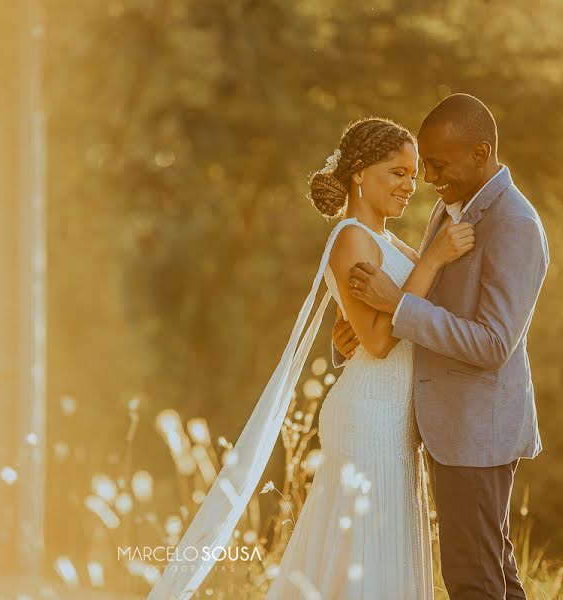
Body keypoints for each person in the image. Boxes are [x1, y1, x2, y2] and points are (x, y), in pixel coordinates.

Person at [147, 116, 475, 600]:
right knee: (362, 559)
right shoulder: (351, 238)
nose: (410, 185)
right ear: (360, 173)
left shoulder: (385, 240)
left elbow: (382, 325)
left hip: (396, 424)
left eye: (412, 174)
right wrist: (431, 260)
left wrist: (423, 270)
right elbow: (382, 343)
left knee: (381, 558)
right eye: (397, 173)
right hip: (369, 420)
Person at [333, 94, 549, 599]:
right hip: (450, 429)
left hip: (479, 432)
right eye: (422, 166)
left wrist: (398, 308)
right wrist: (361, 335)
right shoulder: (456, 205)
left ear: (480, 153)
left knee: (474, 581)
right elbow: (428, 295)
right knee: (488, 576)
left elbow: (494, 342)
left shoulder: (514, 224)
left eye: (436, 165)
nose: (428, 179)